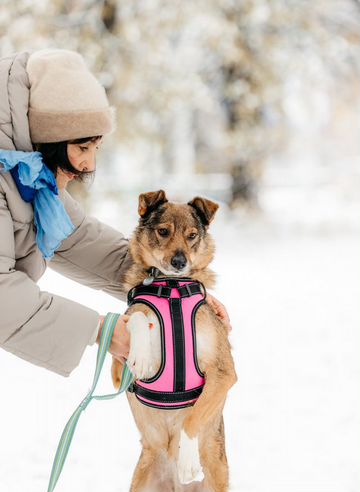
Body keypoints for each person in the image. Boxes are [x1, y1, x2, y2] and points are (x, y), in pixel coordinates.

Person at [0, 48, 231, 378]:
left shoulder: (31, 179)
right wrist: (101, 331)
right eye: (82, 148)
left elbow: (81, 240)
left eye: (96, 148)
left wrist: (182, 292)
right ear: (47, 137)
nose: (89, 165)